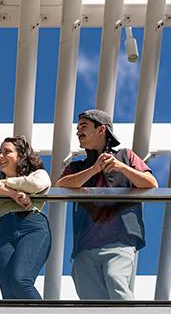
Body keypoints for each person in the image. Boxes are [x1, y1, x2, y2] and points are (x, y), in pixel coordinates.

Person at [56, 109, 158, 300]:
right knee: (90, 298)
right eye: (77, 128)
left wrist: (121, 167)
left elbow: (151, 183)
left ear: (101, 129)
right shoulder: (78, 167)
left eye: (83, 127)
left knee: (116, 280)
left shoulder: (126, 156)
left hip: (120, 240)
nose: (78, 132)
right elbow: (61, 185)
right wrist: (94, 170)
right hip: (85, 245)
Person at [0, 136, 51, 299]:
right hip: (3, 231)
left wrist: (2, 184)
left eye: (7, 152)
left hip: (32, 226)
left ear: (21, 155)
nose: (0, 156)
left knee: (20, 280)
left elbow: (36, 185)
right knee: (8, 292)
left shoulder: (38, 173)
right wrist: (12, 193)